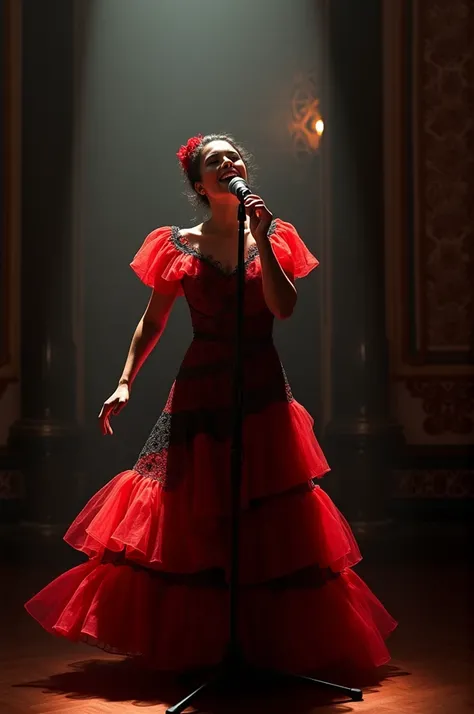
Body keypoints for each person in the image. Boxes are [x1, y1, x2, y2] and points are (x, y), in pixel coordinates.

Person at [25, 133, 396, 675]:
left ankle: (261, 642)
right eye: (213, 161)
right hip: (201, 385)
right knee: (194, 509)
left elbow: (283, 308)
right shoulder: (177, 245)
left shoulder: (274, 234)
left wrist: (263, 240)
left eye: (233, 156)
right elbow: (153, 321)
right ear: (200, 185)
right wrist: (126, 379)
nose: (228, 163)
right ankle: (208, 642)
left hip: (262, 386)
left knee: (268, 510)